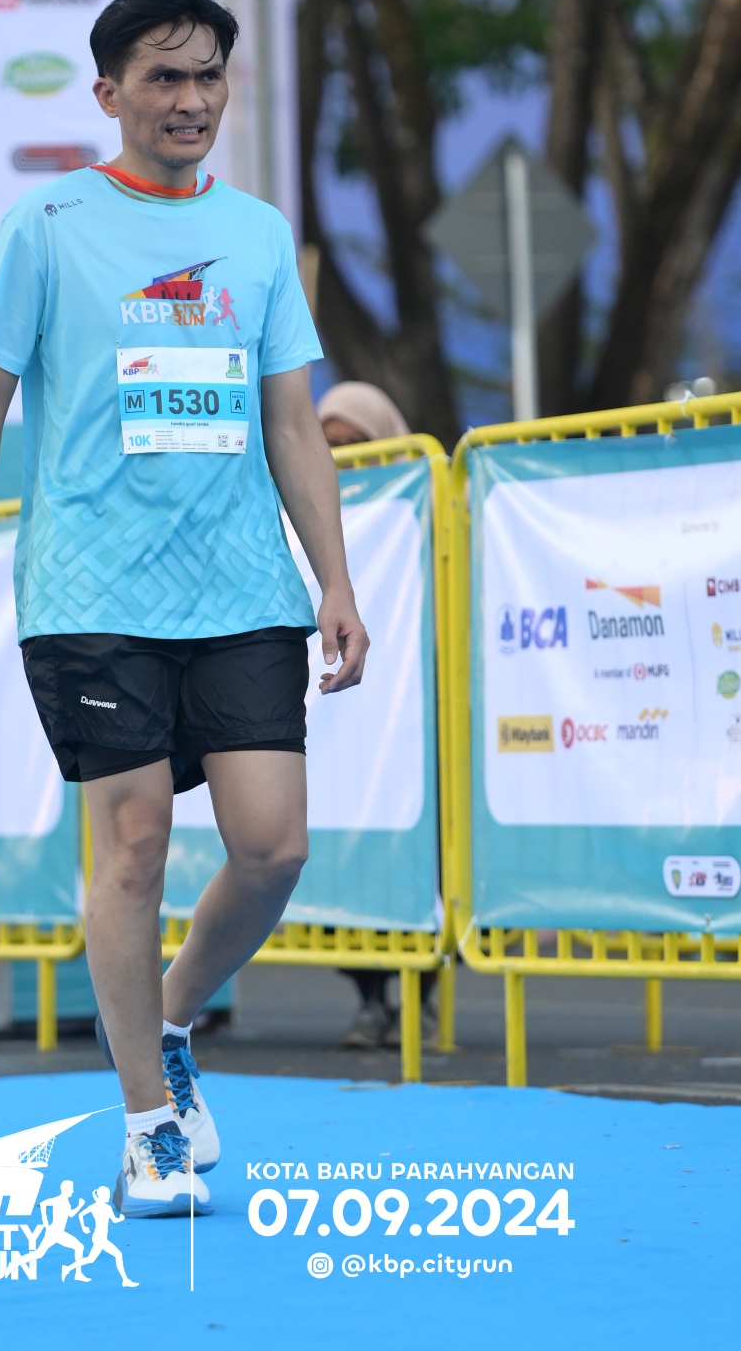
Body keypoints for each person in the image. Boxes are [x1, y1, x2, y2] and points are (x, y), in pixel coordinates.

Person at [0, 0, 369, 1217]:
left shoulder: (257, 235)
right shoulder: (47, 224)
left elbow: (291, 421)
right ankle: (144, 1126)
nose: (189, 98)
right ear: (108, 93)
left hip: (243, 590)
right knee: (130, 845)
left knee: (273, 847)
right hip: (91, 591)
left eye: (206, 76)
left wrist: (333, 579)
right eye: (163, 76)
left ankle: (165, 1018)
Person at [316, 380, 435, 1051]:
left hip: (416, 715)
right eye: (326, 447)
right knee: (340, 857)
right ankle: (370, 1000)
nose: (342, 462)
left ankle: (421, 998)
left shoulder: (433, 508)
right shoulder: (302, 521)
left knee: (423, 855)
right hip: (343, 720)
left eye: (356, 446)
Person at [79, 1185, 140, 1285]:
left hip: (99, 1237)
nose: (109, 1197)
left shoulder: (99, 1207)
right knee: (118, 1255)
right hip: (100, 1238)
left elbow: (81, 1214)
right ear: (102, 1195)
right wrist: (121, 1218)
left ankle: (68, 1268)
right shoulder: (105, 1208)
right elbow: (115, 1220)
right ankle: (125, 1280)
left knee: (90, 1259)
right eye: (107, 1195)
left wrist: (84, 1227)